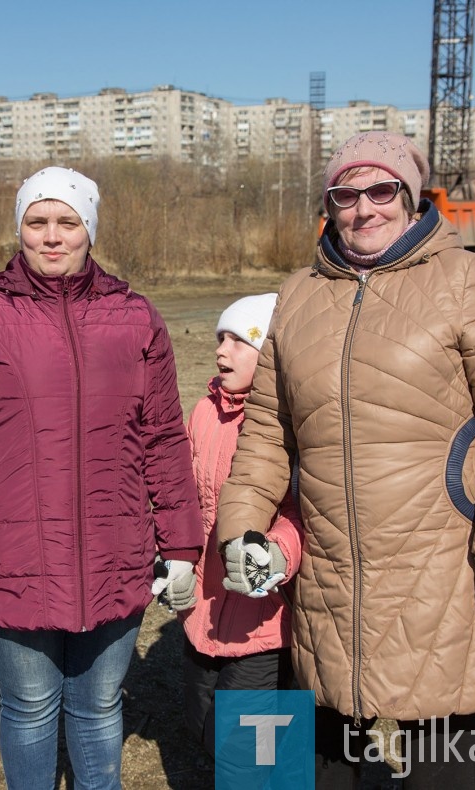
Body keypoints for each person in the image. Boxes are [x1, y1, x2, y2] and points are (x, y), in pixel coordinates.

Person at [215, 131, 475, 788]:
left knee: (438, 774)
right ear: (330, 204)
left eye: (381, 190)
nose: (364, 208)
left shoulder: (465, 282)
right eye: (347, 193)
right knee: (329, 771)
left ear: (410, 196)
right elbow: (265, 434)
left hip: (444, 578)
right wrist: (240, 529)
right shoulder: (302, 294)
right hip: (333, 585)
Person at [0, 166, 204, 790]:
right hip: (12, 553)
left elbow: (163, 437)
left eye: (67, 222)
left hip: (114, 550)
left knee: (99, 705)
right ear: (20, 230)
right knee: (29, 709)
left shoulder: (136, 318)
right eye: (37, 222)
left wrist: (182, 544)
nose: (52, 237)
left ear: (89, 231)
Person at [162, 293, 303, 761]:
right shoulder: (204, 412)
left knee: (251, 752)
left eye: (239, 341)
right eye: (220, 339)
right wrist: (172, 561)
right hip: (201, 611)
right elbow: (181, 496)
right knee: (203, 729)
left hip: (264, 624)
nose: (221, 351)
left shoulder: (291, 426)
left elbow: (305, 513)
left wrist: (279, 552)